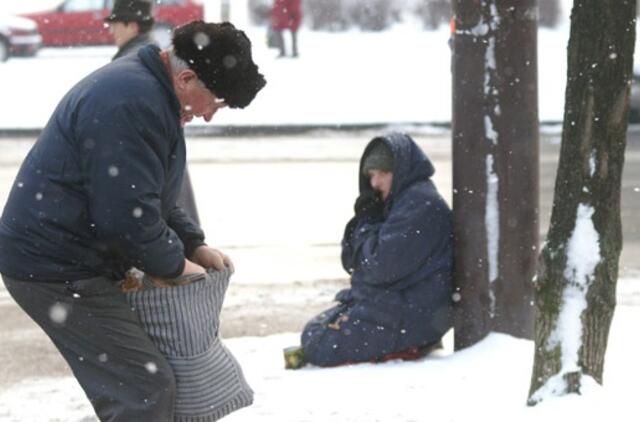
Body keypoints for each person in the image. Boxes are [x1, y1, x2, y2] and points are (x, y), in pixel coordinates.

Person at [0, 20, 265, 421]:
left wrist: (192, 242)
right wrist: (175, 265)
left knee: (147, 379)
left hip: (67, 257)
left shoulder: (150, 93)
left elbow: (151, 194)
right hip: (54, 267)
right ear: (187, 76)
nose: (211, 115)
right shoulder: (132, 102)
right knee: (143, 386)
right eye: (217, 101)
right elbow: (126, 217)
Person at [299, 132, 454, 367]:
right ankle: (404, 346)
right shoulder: (401, 201)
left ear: (401, 170)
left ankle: (409, 347)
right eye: (371, 175)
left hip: (413, 312)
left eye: (383, 173)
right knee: (315, 330)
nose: (375, 183)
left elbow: (378, 268)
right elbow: (352, 262)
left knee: (318, 343)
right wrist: (361, 220)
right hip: (402, 305)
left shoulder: (420, 204)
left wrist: (368, 223)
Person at [105, 0, 202, 224]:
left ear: (132, 25)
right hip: (168, 182)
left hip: (155, 187)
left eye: (116, 23)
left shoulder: (131, 64)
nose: (111, 30)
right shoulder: (152, 57)